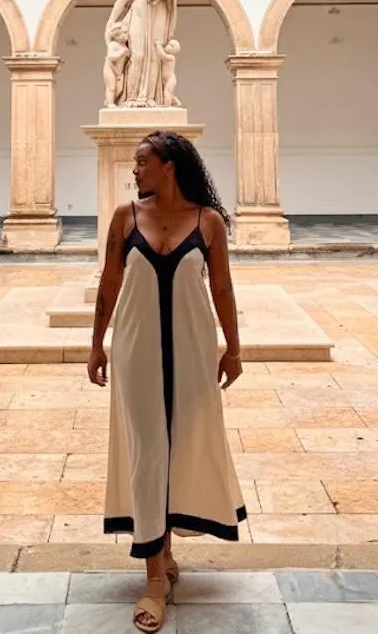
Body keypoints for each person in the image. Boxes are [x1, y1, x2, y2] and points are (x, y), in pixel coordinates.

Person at [87, 131, 246, 633]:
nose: (135, 170)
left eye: (142, 161)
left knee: (179, 449)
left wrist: (234, 349)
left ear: (169, 165)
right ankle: (155, 578)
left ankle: (166, 550)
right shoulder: (125, 218)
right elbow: (109, 283)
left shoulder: (208, 221)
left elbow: (222, 288)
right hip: (136, 353)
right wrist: (96, 344)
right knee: (149, 452)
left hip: (193, 353)